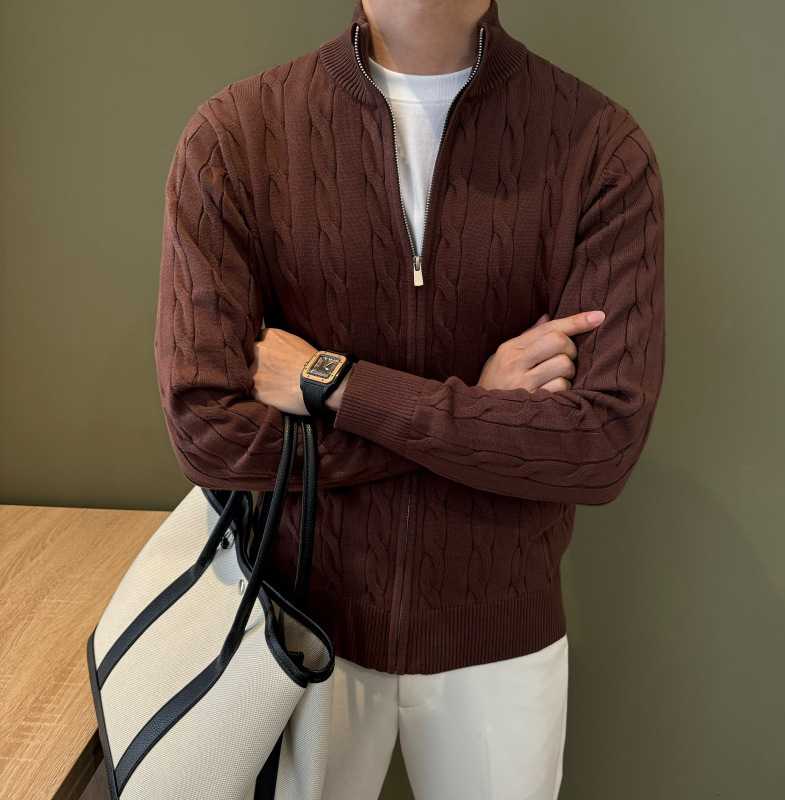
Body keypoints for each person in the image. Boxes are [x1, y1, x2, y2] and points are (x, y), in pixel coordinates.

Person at [154, 0, 666, 798]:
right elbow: (207, 431)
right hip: (292, 629)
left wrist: (336, 384)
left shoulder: (600, 149)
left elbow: (599, 446)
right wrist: (482, 405)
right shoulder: (235, 137)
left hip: (501, 642)